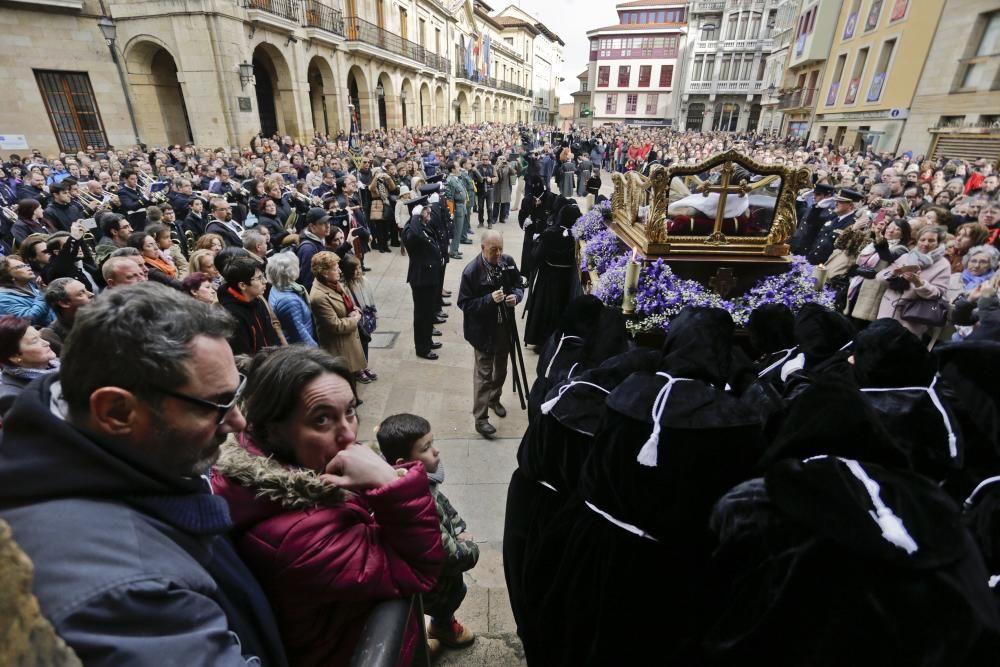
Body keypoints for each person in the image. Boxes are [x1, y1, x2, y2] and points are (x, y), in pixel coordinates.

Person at [0, 283, 288, 666]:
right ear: (116, 411)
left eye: (237, 396)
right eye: (217, 404)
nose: (236, 421)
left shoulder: (141, 460)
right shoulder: (119, 591)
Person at [210, 346, 444, 667]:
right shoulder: (295, 535)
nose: (348, 434)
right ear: (272, 429)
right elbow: (420, 569)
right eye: (322, 419)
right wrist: (391, 483)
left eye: (350, 410)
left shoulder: (304, 465)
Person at [376, 413, 478, 652]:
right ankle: (431, 636)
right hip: (435, 585)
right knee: (439, 606)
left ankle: (437, 628)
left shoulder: (422, 485)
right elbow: (450, 556)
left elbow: (446, 506)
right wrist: (470, 547)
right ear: (404, 462)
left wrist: (459, 526)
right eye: (427, 447)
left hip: (435, 582)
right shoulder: (417, 505)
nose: (437, 451)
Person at [457, 230, 523, 439]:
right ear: (483, 248)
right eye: (494, 250)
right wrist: (488, 299)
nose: (498, 254)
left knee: (501, 369)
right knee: (484, 375)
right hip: (483, 332)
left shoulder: (508, 262)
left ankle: (494, 399)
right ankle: (481, 419)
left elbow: (519, 284)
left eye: (501, 249)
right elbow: (464, 303)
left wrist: (516, 297)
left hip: (505, 328)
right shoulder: (472, 271)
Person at [523, 202, 584, 347]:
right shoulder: (577, 238)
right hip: (566, 281)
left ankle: (540, 340)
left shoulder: (550, 234)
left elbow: (535, 257)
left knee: (544, 308)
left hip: (548, 279)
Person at [877, 225, 952, 337]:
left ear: (938, 242)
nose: (926, 244)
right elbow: (880, 278)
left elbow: (937, 294)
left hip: (911, 319)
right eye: (922, 239)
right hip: (887, 312)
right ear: (917, 240)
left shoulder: (943, 264)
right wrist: (893, 274)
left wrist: (918, 283)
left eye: (931, 240)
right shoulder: (907, 256)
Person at [308, 251, 368, 384]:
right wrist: (354, 319)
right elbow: (335, 325)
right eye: (335, 269)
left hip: (348, 340)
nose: (340, 271)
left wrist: (354, 309)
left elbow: (346, 301)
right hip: (339, 346)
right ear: (324, 272)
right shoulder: (319, 297)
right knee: (344, 381)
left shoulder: (333, 283)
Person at [403, 197, 444, 360]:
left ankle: (427, 340)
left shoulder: (422, 226)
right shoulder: (411, 230)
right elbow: (416, 237)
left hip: (430, 277)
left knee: (428, 313)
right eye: (426, 210)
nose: (429, 212)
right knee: (421, 315)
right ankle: (422, 347)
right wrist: (414, 217)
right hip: (421, 278)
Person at [218, 255, 281, 356]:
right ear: (242, 285)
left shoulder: (257, 300)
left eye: (263, 276)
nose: (265, 281)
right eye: (259, 278)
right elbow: (243, 356)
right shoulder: (232, 316)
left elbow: (271, 334)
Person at [0, 315, 58, 415]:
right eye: (34, 341)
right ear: (14, 356)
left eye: (40, 337)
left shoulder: (57, 363)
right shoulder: (13, 397)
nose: (47, 343)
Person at [341, 254, 378, 381]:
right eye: (354, 269)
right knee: (357, 345)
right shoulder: (344, 286)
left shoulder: (364, 281)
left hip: (365, 317)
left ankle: (364, 365)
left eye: (359, 268)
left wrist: (374, 312)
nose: (358, 271)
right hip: (355, 320)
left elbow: (370, 298)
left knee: (365, 341)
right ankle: (358, 369)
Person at [266, 252, 315, 345]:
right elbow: (301, 336)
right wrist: (318, 354)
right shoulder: (289, 301)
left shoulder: (277, 287)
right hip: (300, 352)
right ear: (289, 272)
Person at [39, 277, 92, 355]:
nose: (91, 294)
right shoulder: (51, 336)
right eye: (81, 293)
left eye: (86, 290)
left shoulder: (102, 316)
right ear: (64, 303)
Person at [0, 255, 54, 326]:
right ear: (8, 275)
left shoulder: (29, 285)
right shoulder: (3, 299)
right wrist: (43, 293)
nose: (28, 268)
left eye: (26, 265)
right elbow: (28, 319)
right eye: (20, 267)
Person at [296, 208, 331, 291]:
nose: (328, 225)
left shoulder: (319, 240)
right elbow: (308, 283)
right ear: (312, 226)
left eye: (328, 221)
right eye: (323, 223)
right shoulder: (308, 250)